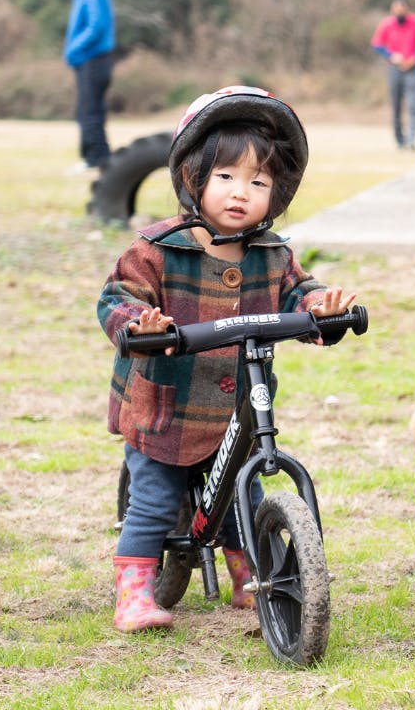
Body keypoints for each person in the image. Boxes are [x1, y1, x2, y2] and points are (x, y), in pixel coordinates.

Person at [98, 85, 356, 633]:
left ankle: (252, 577)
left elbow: (299, 290)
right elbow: (117, 296)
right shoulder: (159, 248)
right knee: (153, 499)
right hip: (167, 409)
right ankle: (135, 593)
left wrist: (322, 307)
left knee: (246, 487)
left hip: (237, 409)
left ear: (277, 193)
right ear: (193, 178)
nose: (241, 193)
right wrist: (142, 326)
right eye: (225, 177)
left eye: (258, 182)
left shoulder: (272, 253)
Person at [59, 0, 116, 173]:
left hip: (94, 59)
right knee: (90, 110)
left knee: (89, 111)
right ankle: (97, 158)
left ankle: (96, 158)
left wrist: (73, 49)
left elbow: (95, 27)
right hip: (90, 60)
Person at [370, 0, 415, 150]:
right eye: (396, 10)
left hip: (412, 69)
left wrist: (414, 57)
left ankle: (411, 140)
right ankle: (399, 141)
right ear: (392, 11)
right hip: (395, 69)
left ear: (407, 10)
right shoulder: (387, 24)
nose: (399, 13)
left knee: (412, 106)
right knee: (396, 107)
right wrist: (391, 56)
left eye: (401, 10)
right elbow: (376, 44)